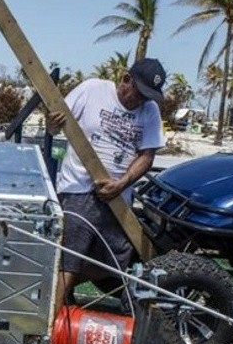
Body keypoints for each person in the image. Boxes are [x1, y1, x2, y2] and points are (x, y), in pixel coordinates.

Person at [46, 58, 167, 313]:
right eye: (138, 92)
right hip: (79, 188)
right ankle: (49, 324)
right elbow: (55, 126)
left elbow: (147, 155)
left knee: (114, 260)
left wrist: (122, 183)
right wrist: (52, 123)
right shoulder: (92, 90)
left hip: (118, 196)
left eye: (147, 96)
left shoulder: (150, 110)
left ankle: (52, 291)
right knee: (70, 257)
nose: (140, 101)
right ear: (126, 79)